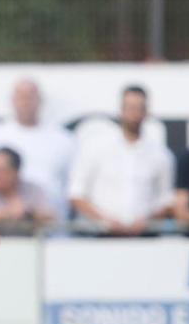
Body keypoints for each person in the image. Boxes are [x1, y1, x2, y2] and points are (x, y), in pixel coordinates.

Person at [0, 79, 75, 222]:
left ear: (40, 100)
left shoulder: (63, 139)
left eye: (30, 96)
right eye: (21, 97)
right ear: (12, 100)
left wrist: (31, 213)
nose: (26, 102)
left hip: (53, 231)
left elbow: (74, 187)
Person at [69, 86, 175, 236]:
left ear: (146, 112)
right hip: (101, 236)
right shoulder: (96, 148)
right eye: (130, 107)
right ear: (121, 110)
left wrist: (145, 222)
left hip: (144, 237)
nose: (134, 113)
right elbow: (77, 194)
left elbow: (166, 200)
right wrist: (106, 222)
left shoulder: (160, 154)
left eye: (139, 108)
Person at [0, 148, 54, 234]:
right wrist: (7, 213)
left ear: (15, 172)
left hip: (28, 243)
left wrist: (28, 213)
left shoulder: (33, 189)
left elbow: (50, 217)